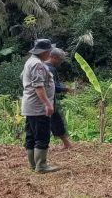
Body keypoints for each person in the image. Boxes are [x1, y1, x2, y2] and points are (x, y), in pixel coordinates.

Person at [21, 39, 60, 173]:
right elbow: (38, 86)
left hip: (30, 106)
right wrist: (48, 104)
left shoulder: (30, 62)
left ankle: (33, 164)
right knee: (42, 136)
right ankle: (41, 166)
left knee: (31, 136)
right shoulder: (37, 65)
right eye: (49, 51)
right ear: (43, 52)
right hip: (38, 108)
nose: (50, 53)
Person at [46, 47, 74, 150]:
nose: (61, 62)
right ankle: (65, 144)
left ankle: (66, 143)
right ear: (54, 57)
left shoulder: (45, 67)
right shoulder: (50, 69)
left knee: (54, 121)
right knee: (54, 121)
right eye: (60, 60)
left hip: (44, 100)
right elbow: (55, 87)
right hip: (47, 100)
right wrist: (66, 89)